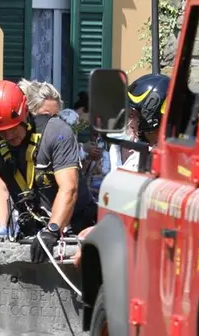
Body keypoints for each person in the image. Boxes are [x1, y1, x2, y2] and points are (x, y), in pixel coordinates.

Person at [0, 80, 97, 263]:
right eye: (1, 131)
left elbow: (68, 188)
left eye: (13, 128)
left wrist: (52, 229)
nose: (8, 136)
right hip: (32, 232)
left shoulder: (57, 132)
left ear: (25, 114)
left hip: (74, 229)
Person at [73, 74, 171, 267]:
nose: (129, 121)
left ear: (150, 115)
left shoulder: (155, 160)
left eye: (133, 115)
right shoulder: (147, 154)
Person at [0, 79, 65, 236]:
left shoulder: (56, 137)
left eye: (56, 116)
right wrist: (4, 229)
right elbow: (1, 187)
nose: (51, 122)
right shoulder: (9, 142)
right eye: (46, 116)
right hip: (11, 215)